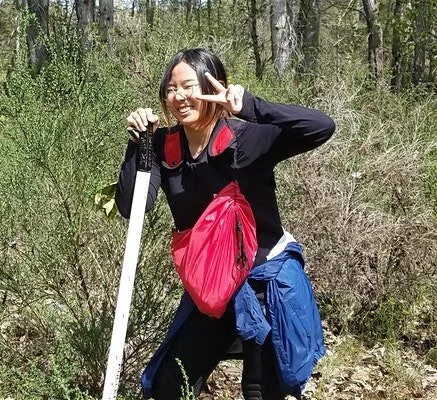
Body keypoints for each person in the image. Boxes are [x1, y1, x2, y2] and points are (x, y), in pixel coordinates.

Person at [115, 48, 334, 399]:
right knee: (170, 386)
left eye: (188, 86)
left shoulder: (245, 138)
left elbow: (321, 127)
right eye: (171, 88)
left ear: (212, 86)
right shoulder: (163, 146)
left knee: (260, 391)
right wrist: (137, 145)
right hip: (212, 288)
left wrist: (251, 106)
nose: (179, 96)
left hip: (265, 283)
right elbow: (131, 207)